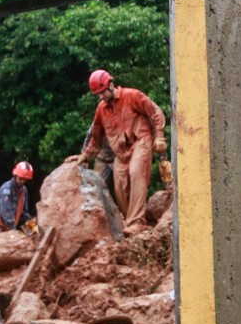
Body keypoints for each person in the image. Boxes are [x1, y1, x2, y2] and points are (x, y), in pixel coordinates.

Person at [67, 69, 167, 234]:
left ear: (110, 85)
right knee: (120, 185)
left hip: (141, 141)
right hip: (121, 153)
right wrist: (85, 155)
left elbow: (155, 112)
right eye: (97, 94)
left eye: (102, 93)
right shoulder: (101, 109)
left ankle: (136, 221)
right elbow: (96, 138)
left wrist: (160, 136)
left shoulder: (132, 95)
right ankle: (132, 222)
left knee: (136, 171)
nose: (100, 97)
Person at [0, 161, 34, 236]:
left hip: (10, 226)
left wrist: (30, 223)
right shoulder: (6, 190)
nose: (22, 181)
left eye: (25, 179)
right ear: (16, 175)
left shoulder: (23, 191)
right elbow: (6, 213)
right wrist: (14, 230)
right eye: (21, 178)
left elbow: (24, 212)